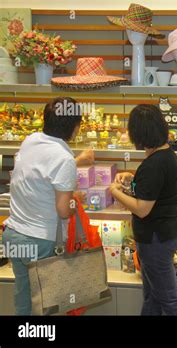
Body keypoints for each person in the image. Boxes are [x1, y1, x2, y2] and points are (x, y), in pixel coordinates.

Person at [2, 97, 94, 315]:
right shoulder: (64, 159)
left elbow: (39, 168)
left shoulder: (31, 140)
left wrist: (77, 161)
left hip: (14, 235)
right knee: (46, 305)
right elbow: (63, 210)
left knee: (24, 298)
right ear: (75, 128)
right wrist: (75, 200)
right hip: (40, 241)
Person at [110, 104, 177, 316]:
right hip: (165, 233)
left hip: (156, 239)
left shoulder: (154, 163)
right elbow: (156, 189)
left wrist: (114, 191)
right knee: (153, 296)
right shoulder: (166, 155)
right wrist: (133, 179)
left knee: (169, 300)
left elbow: (142, 209)